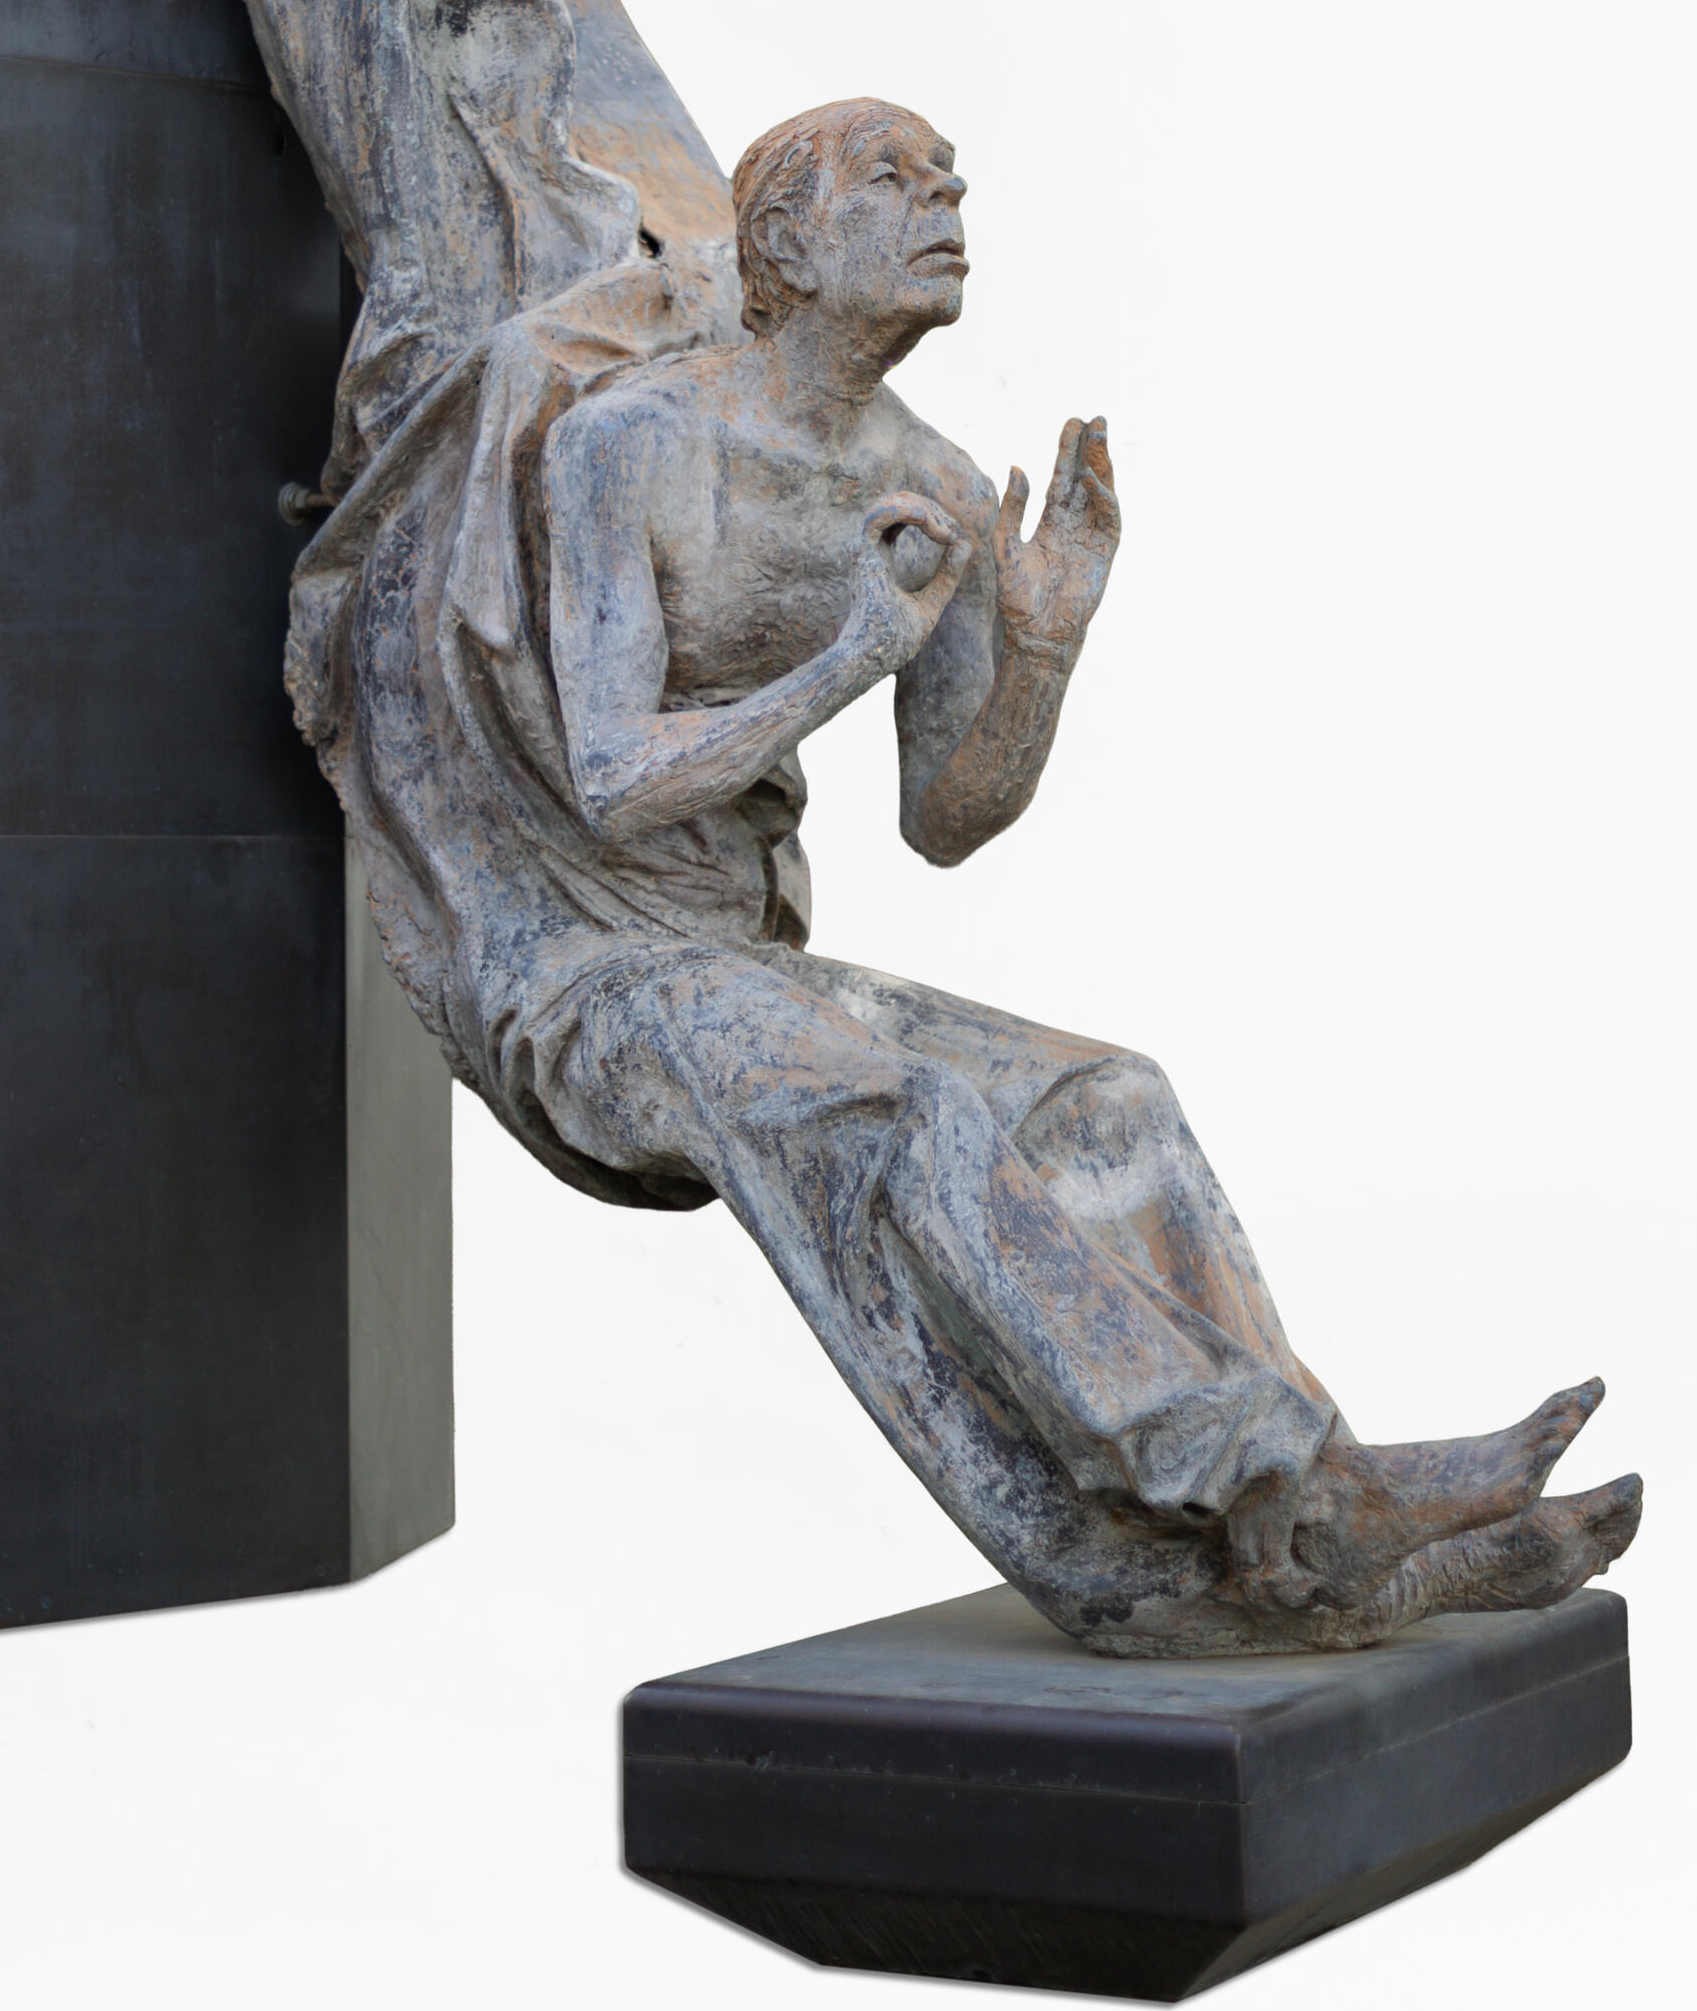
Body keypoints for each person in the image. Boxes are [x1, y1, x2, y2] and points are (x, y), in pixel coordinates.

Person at [523, 95, 1638, 1649]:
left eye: (949, 177)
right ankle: (1278, 1489)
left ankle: (1317, 1536)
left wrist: (1041, 648)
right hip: (598, 971)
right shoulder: (630, 446)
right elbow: (613, 780)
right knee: (896, 1111)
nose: (947, 197)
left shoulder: (931, 479)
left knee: (1111, 1099)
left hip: (748, 967)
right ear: (784, 241)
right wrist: (855, 653)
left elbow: (947, 819)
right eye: (896, 179)